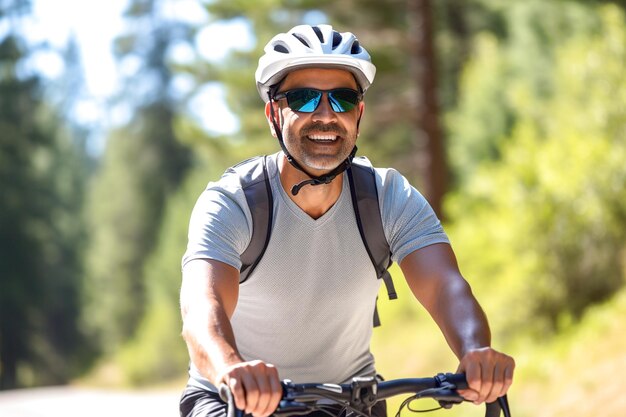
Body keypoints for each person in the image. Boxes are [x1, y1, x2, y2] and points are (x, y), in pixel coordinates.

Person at [179, 24, 514, 417]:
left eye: (342, 99)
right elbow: (203, 309)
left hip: (349, 401)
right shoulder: (234, 201)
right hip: (231, 398)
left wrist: (475, 352)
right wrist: (231, 369)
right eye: (303, 99)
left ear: (359, 113)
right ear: (273, 113)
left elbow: (445, 287)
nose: (325, 115)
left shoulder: (388, 196)